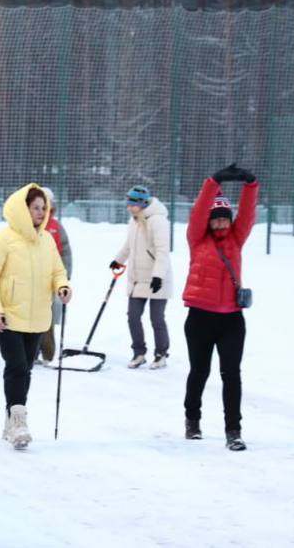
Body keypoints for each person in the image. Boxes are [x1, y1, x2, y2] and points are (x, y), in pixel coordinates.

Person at [0, 184, 71, 449]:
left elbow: (57, 271)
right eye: (36, 208)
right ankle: (19, 421)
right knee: (17, 366)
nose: (41, 213)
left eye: (44, 208)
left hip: (37, 317)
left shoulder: (47, 240)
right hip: (7, 317)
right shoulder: (3, 239)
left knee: (26, 370)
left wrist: (62, 287)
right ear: (23, 209)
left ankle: (12, 419)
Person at [181, 163, 257, 452]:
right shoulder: (197, 239)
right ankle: (192, 420)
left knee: (231, 374)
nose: (221, 223)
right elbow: (199, 212)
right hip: (200, 317)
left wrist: (250, 186)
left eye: (225, 219)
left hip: (231, 320)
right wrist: (214, 181)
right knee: (199, 371)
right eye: (216, 219)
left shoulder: (237, 240)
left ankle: (233, 430)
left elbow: (248, 216)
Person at [111, 185, 172, 369]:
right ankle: (139, 353)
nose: (129, 207)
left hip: (156, 279)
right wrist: (118, 260)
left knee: (157, 318)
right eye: (128, 203)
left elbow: (162, 252)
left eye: (132, 204)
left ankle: (161, 354)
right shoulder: (135, 221)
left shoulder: (158, 221)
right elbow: (129, 246)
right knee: (133, 316)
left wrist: (158, 276)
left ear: (142, 203)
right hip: (138, 278)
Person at [38, 188, 73, 366]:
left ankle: (48, 353)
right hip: (30, 280)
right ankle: (32, 351)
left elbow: (65, 253)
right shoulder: (27, 225)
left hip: (51, 279)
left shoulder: (56, 227)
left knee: (48, 316)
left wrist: (64, 278)